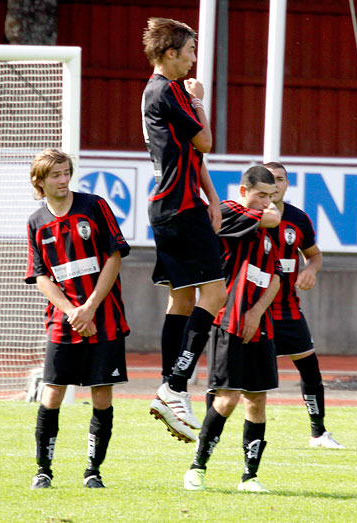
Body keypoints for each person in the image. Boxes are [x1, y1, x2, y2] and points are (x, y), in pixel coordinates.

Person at [141, 17, 227, 443]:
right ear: (170, 53)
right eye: (190, 51)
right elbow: (206, 141)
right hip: (180, 207)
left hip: (171, 204)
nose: (194, 59)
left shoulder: (159, 91)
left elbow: (193, 156)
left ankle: (170, 388)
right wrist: (201, 102)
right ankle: (174, 386)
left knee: (182, 298)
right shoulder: (169, 91)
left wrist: (212, 197)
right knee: (216, 295)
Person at [25, 149, 131, 489]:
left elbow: (114, 258)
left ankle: (93, 471)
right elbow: (41, 276)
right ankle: (43, 470)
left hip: (105, 318)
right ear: (39, 181)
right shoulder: (36, 222)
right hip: (64, 321)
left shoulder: (94, 206)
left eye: (66, 172)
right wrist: (72, 311)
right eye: (55, 175)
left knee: (102, 395)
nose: (63, 180)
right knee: (52, 393)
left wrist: (90, 307)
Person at [184, 166, 282, 493]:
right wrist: (269, 214)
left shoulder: (269, 225)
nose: (268, 202)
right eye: (260, 195)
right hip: (228, 318)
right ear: (243, 191)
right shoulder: (228, 211)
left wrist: (257, 311)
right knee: (227, 398)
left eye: (271, 196)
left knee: (256, 400)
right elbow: (269, 219)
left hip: (259, 322)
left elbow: (276, 275)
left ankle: (249, 477)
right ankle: (197, 468)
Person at [264, 161, 344, 449]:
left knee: (310, 370)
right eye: (269, 179)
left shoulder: (298, 219)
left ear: (286, 184)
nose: (275, 185)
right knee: (233, 377)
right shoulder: (246, 217)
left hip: (287, 311)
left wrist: (310, 269)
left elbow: (315, 255)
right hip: (252, 312)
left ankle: (318, 433)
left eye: (280, 179)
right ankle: (212, 432)